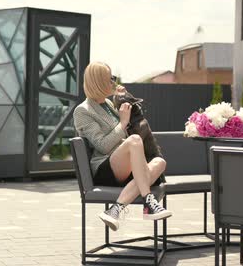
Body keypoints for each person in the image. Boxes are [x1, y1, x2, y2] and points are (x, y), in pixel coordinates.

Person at [73, 62, 172, 231]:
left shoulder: (110, 104)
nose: (114, 81)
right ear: (98, 81)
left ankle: (115, 209)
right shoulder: (83, 111)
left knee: (159, 162)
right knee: (134, 140)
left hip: (124, 167)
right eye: (110, 78)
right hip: (105, 168)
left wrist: (124, 102)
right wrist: (123, 122)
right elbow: (103, 146)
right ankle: (148, 201)